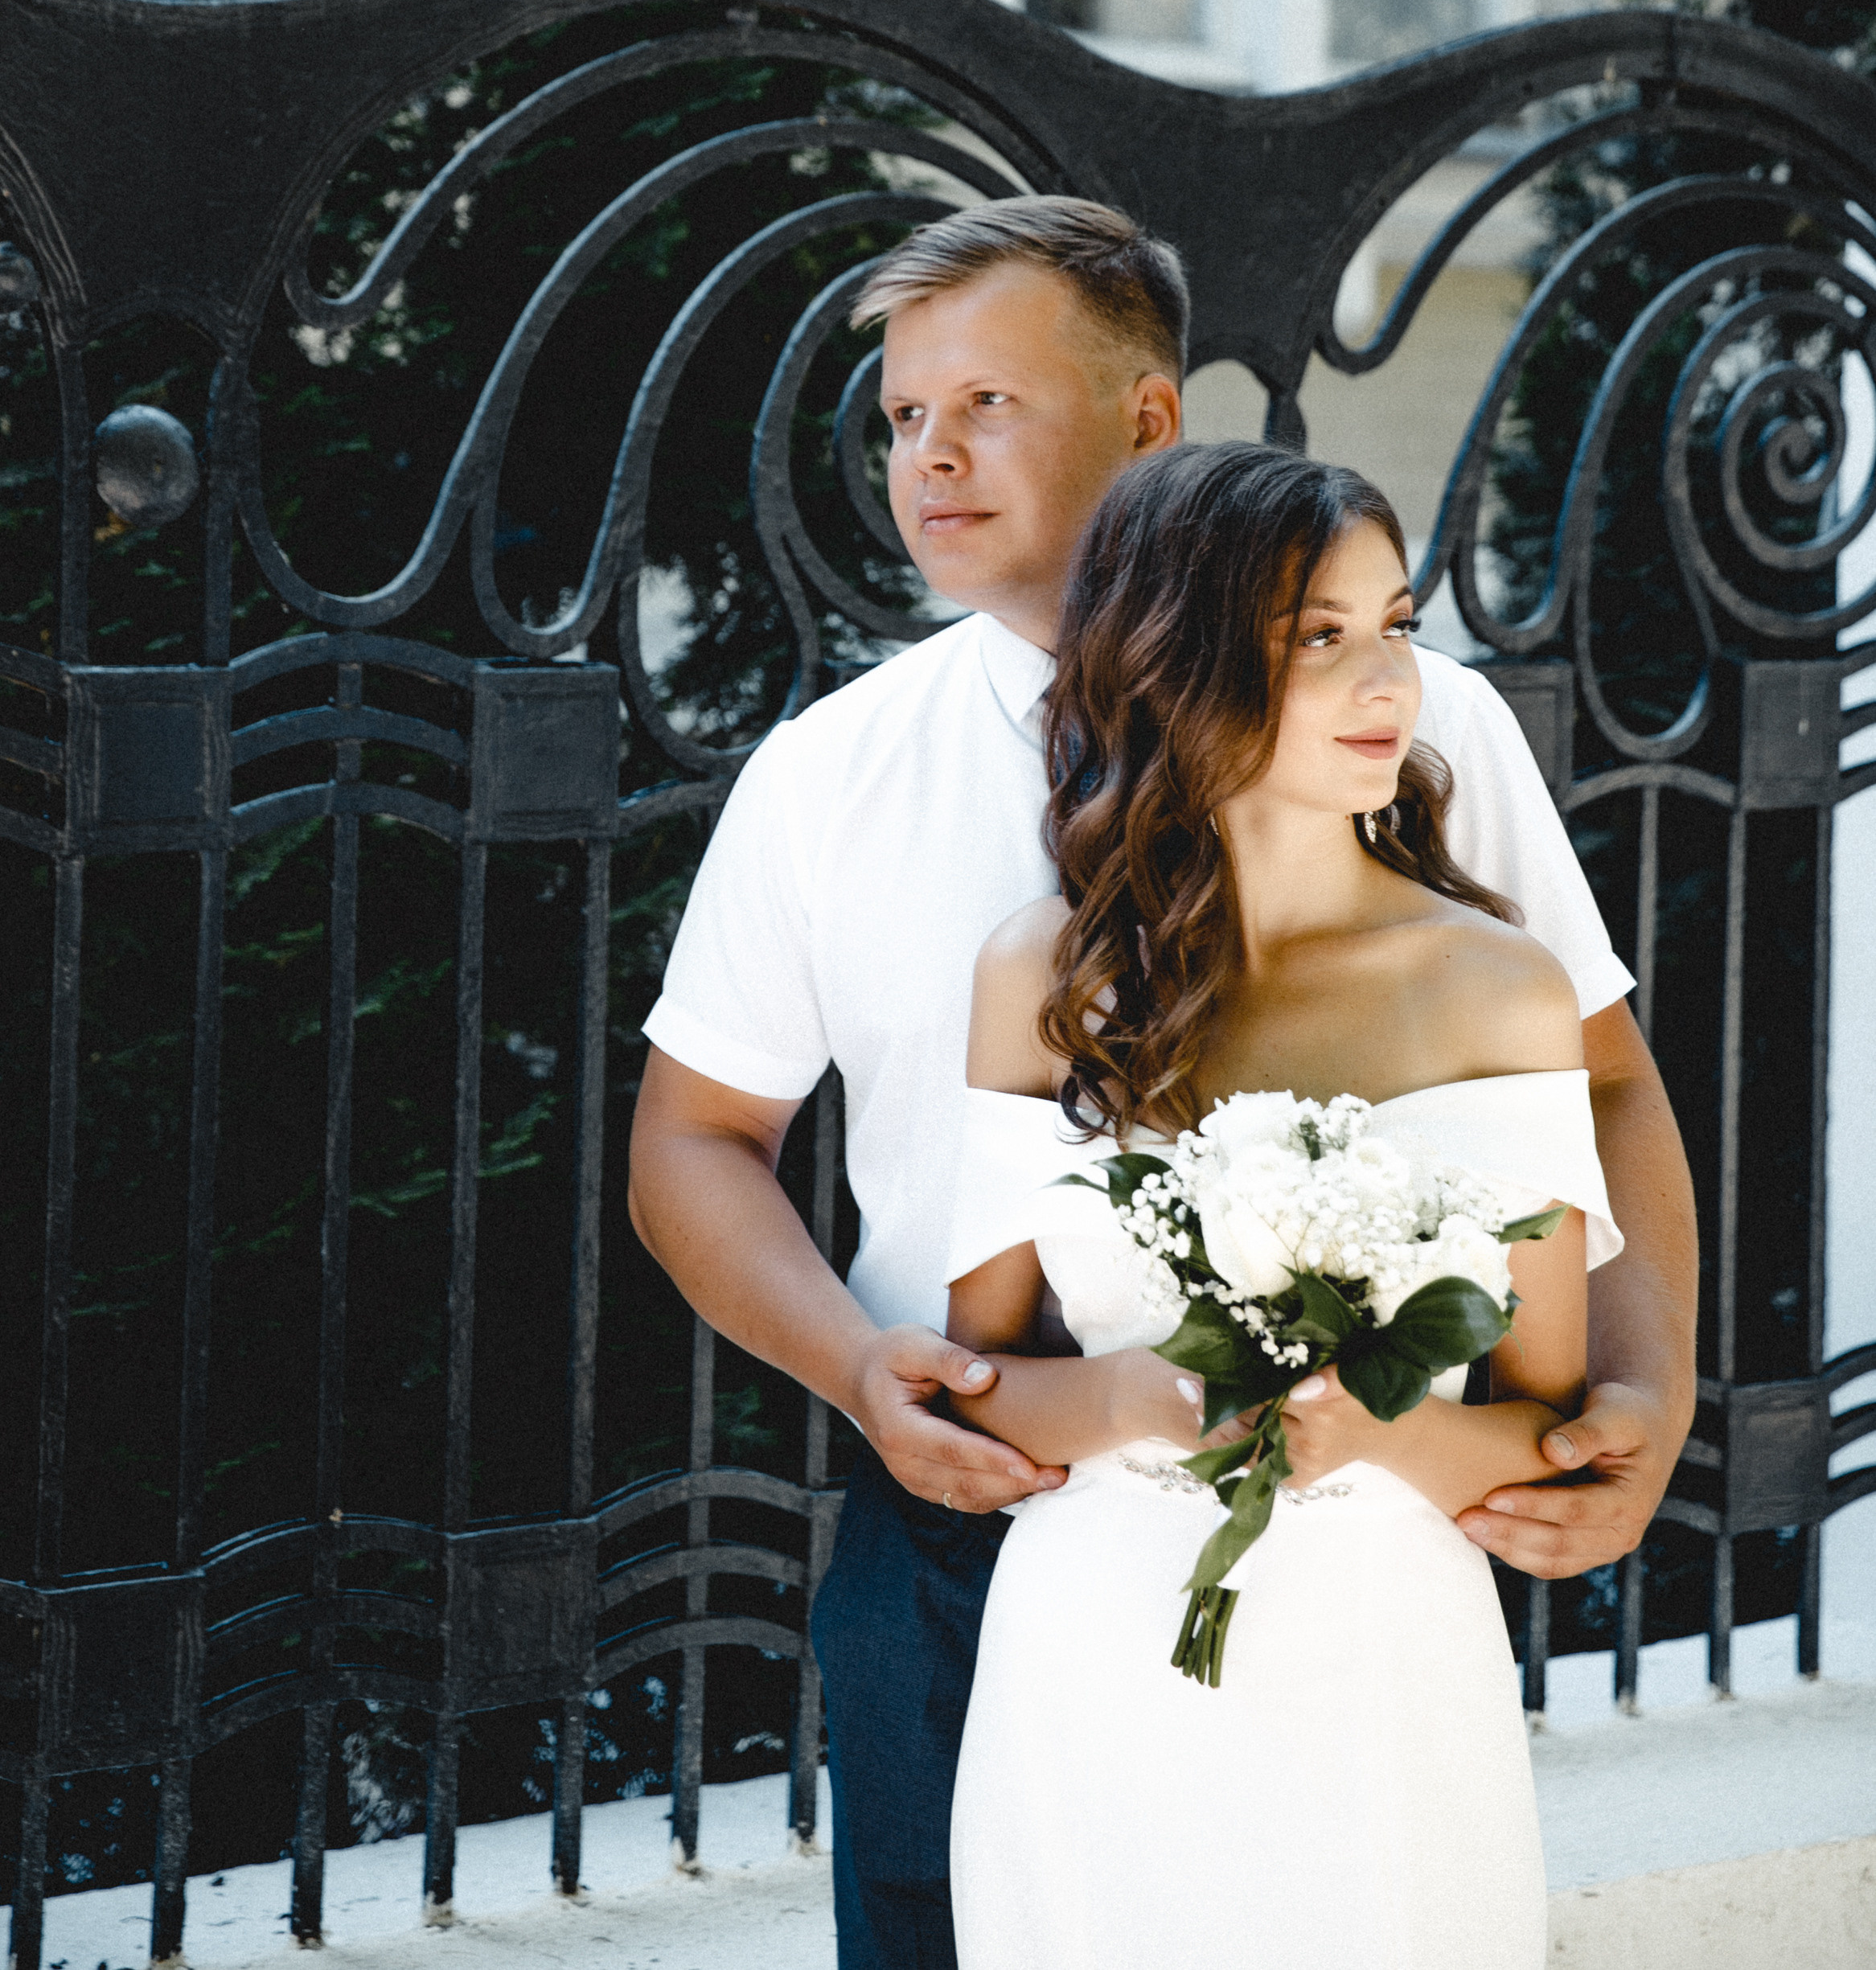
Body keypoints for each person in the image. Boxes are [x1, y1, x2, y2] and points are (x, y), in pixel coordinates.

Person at [626, 197, 1696, 1970]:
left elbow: (1610, 1093)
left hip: (1377, 1548)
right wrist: (856, 1367)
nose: (930, 455)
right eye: (901, 417)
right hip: (976, 1519)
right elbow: (693, 1141)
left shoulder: (1425, 735)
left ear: (1141, 420)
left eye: (986, 404)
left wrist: (1644, 1402)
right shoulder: (829, 777)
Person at [946, 442, 1616, 1970]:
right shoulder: (1039, 978)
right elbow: (980, 1391)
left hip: (1385, 1678)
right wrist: (1129, 1394)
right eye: (1321, 635)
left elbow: (1544, 1418)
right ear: (1175, 659)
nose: (1390, 678)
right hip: (1090, 1668)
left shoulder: (1499, 988)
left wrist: (1376, 1429)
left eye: (1398, 625)